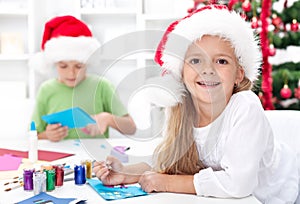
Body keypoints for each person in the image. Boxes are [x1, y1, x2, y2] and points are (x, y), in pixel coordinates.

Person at [93, 5, 300, 203]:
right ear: (181, 73)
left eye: (221, 61)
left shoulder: (245, 105)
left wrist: (167, 183)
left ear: (239, 74)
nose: (208, 70)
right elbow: (165, 162)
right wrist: (125, 172)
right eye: (195, 61)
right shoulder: (182, 110)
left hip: (278, 194)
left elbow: (238, 184)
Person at [31, 15, 136, 142]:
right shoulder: (46, 89)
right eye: (63, 66)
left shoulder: (102, 86)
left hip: (97, 158)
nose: (71, 73)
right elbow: (32, 135)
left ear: (88, 62)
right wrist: (47, 135)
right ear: (54, 63)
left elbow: (131, 128)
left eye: (78, 66)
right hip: (61, 158)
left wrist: (108, 118)